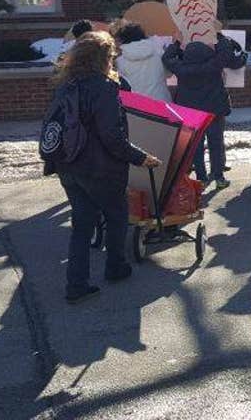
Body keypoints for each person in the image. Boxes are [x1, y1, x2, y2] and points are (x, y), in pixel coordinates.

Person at [47, 31, 161, 303]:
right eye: (111, 56)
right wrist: (140, 157)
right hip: (99, 168)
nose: (113, 61)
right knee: (117, 216)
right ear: (103, 58)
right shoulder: (104, 88)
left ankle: (76, 285)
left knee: (82, 225)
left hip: (68, 164)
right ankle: (116, 267)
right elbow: (112, 136)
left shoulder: (65, 85)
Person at [162, 30, 248, 190]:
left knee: (196, 145)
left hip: (191, 113)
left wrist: (177, 43)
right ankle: (219, 176)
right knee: (216, 143)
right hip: (214, 110)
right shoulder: (213, 65)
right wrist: (219, 36)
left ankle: (201, 177)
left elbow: (166, 58)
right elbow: (225, 54)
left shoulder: (181, 68)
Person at [113, 22, 170, 101]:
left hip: (138, 105)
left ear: (122, 40)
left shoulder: (119, 63)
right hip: (162, 102)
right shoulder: (158, 51)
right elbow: (168, 74)